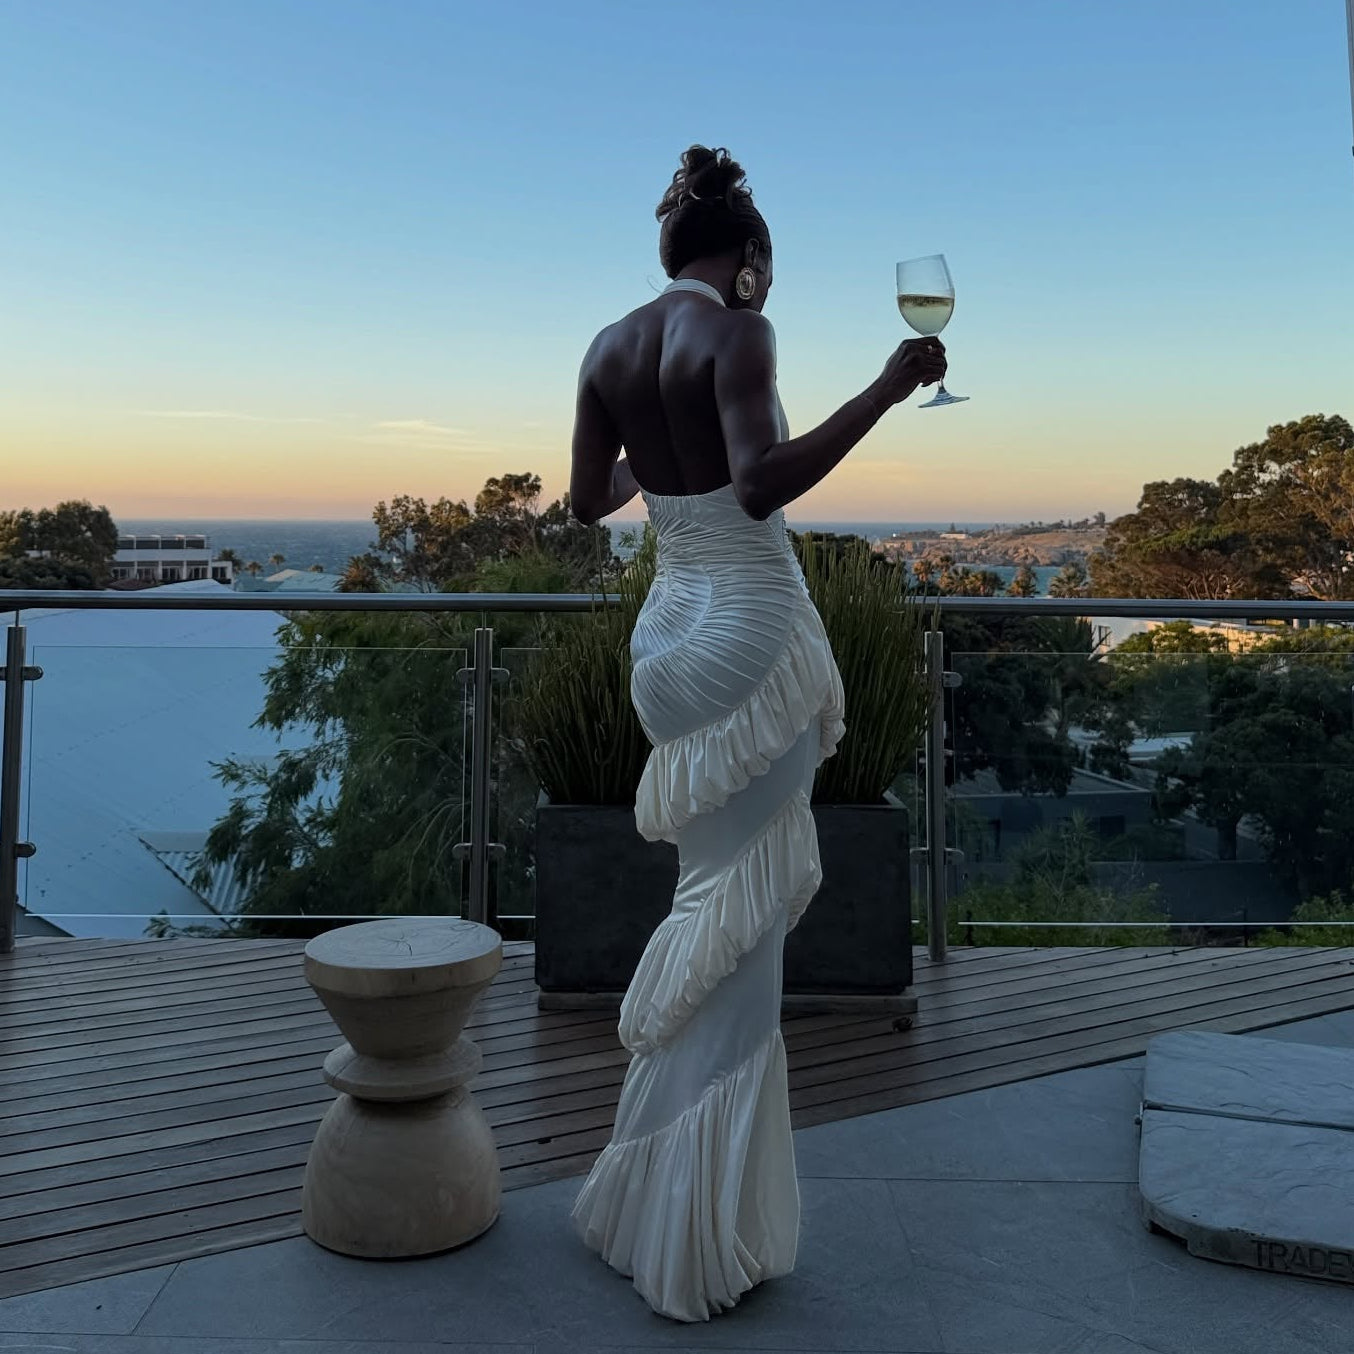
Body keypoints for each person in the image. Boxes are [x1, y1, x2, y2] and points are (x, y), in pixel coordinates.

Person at [567, 145, 947, 1322]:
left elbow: (589, 500)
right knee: (743, 921)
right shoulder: (740, 338)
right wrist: (886, 390)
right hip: (751, 631)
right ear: (747, 262)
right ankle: (694, 1228)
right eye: (767, 269)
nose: (767, 289)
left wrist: (655, 462)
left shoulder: (609, 347)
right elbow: (759, 484)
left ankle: (654, 1197)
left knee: (711, 897)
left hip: (667, 637)